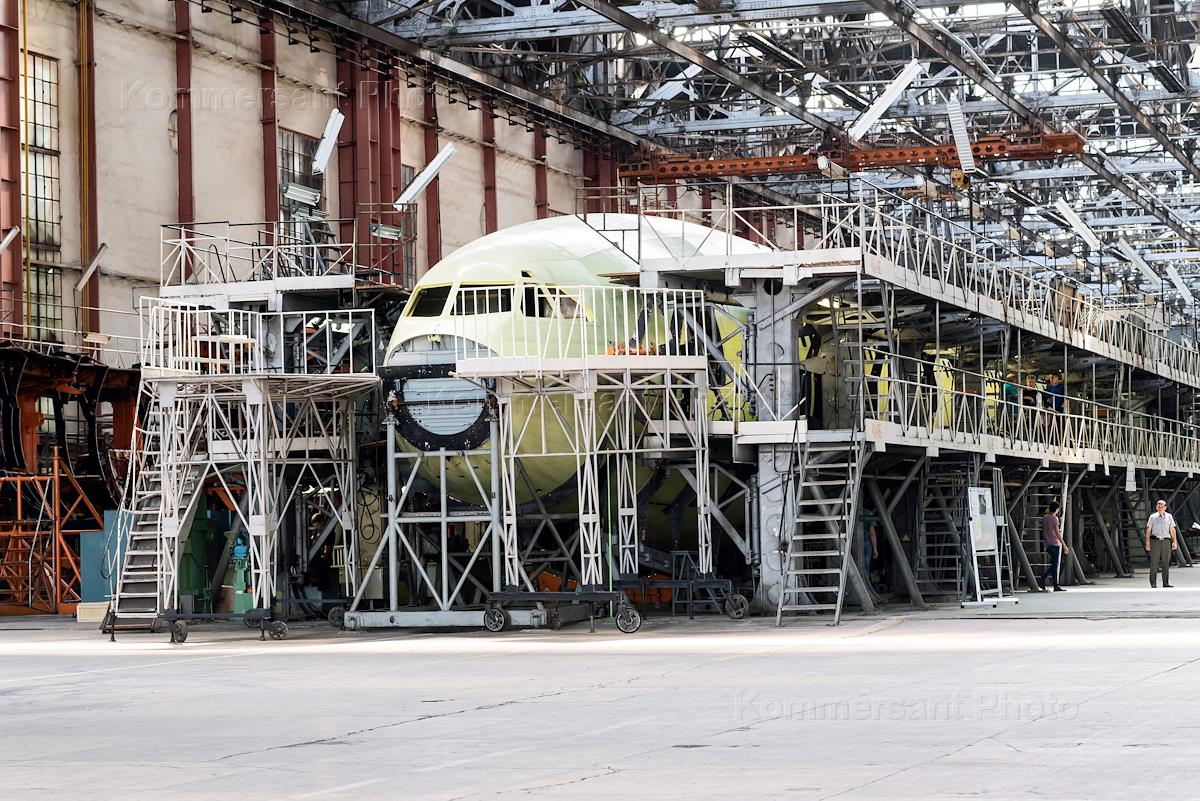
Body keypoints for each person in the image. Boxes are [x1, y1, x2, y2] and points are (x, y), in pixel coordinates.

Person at [1145, 499, 1178, 588]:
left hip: (1166, 541)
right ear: (1156, 507)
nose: (1160, 508)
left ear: (1165, 507)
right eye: (1158, 506)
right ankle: (1153, 583)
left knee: (1166, 563)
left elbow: (1172, 529)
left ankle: (1165, 583)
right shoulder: (1152, 517)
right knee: (1154, 563)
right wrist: (1147, 542)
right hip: (1155, 541)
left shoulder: (1169, 517)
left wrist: (1174, 541)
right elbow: (1148, 530)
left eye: (1162, 506)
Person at [1039, 502, 1068, 592]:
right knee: (1056, 564)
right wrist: (1064, 545)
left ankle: (1055, 584)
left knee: (1055, 564)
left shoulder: (1045, 518)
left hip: (1047, 544)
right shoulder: (1055, 519)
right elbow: (1057, 534)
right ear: (1056, 509)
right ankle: (1045, 579)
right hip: (1054, 543)